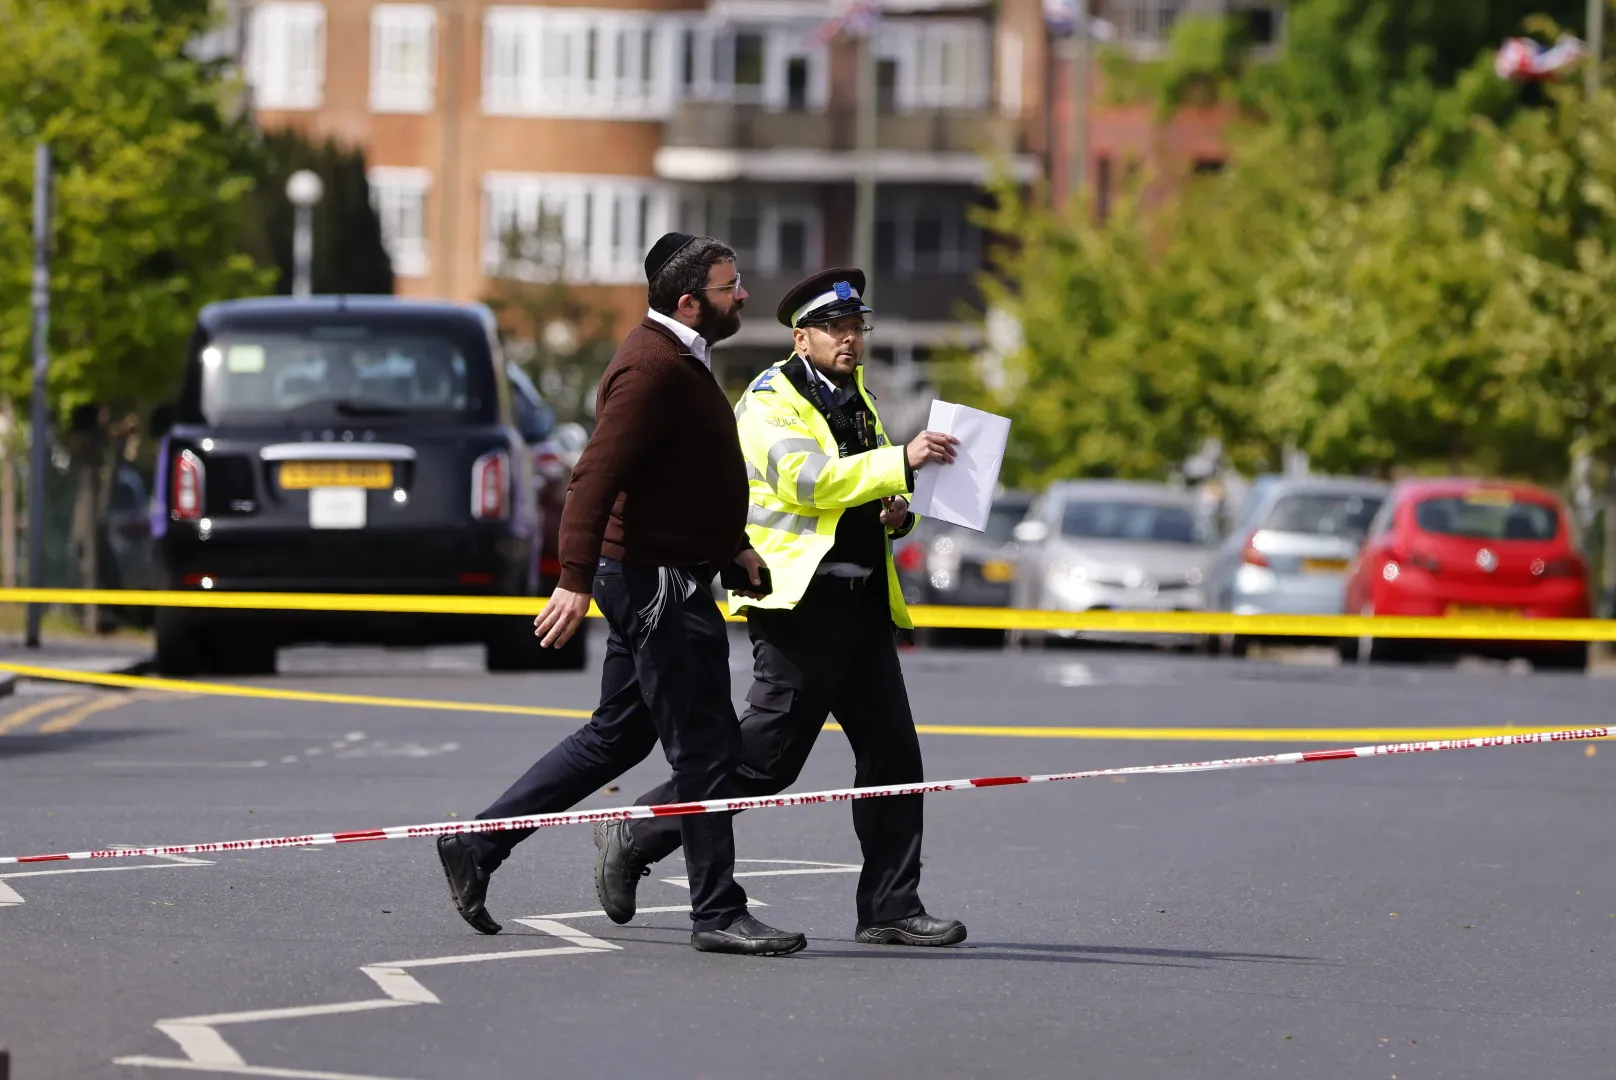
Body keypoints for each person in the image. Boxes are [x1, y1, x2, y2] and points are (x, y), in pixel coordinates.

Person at [436, 233, 808, 957]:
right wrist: (572, 580)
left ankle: (478, 844)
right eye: (732, 287)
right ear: (690, 301)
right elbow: (593, 478)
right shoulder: (651, 368)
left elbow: (680, 477)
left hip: (664, 571)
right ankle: (718, 912)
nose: (744, 297)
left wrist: (729, 546)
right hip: (655, 583)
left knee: (616, 737)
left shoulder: (680, 360)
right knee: (706, 747)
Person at [592, 267, 968, 947]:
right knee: (764, 762)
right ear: (802, 337)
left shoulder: (859, 399)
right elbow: (810, 482)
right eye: (834, 329)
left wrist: (895, 514)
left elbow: (861, 493)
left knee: (893, 757)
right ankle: (639, 830)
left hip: (861, 602)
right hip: (800, 603)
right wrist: (900, 462)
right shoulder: (773, 399)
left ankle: (889, 906)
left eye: (856, 328)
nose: (849, 340)